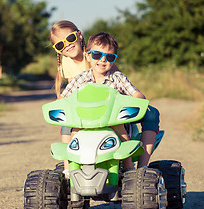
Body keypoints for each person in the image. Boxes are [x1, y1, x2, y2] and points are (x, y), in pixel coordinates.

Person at [60, 32, 160, 170]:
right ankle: (70, 169)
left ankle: (128, 165)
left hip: (112, 120)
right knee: (74, 130)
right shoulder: (80, 79)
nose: (102, 60)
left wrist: (137, 100)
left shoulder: (118, 78)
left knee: (120, 128)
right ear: (88, 56)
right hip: (85, 121)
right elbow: (63, 98)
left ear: (114, 60)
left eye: (109, 57)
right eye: (97, 55)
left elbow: (136, 93)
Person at [50, 20, 120, 175]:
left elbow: (116, 80)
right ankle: (69, 169)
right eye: (60, 45)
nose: (67, 45)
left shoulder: (98, 55)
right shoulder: (67, 64)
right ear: (58, 50)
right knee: (67, 128)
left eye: (69, 39)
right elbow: (71, 91)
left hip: (105, 105)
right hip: (84, 108)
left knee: (127, 126)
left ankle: (129, 165)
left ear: (79, 35)